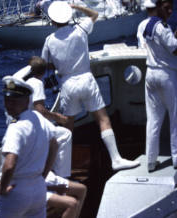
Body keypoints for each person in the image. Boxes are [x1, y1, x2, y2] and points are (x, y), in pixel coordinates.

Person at [41, 1, 140, 171]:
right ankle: (116, 159)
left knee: (68, 127)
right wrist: (77, 7)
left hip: (68, 84)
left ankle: (61, 169)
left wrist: (61, 65)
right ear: (68, 16)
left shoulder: (49, 40)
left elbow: (45, 64)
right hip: (86, 80)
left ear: (52, 20)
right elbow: (94, 15)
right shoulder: (80, 30)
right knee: (102, 119)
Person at [13, 56, 87, 218]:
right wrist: (59, 118)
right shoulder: (37, 83)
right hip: (34, 129)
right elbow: (40, 111)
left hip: (27, 128)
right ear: (44, 72)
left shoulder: (20, 79)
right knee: (65, 134)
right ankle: (62, 178)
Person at [0, 75, 58, 218]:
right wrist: (42, 175)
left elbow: (9, 165)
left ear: (27, 100)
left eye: (14, 100)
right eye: (7, 99)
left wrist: (1, 187)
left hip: (14, 190)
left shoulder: (16, 127)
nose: (9, 104)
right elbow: (55, 144)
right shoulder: (39, 118)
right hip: (37, 189)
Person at [142, 0, 177, 171]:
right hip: (167, 75)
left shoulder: (147, 25)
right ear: (158, 6)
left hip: (151, 74)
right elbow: (174, 49)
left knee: (154, 120)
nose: (170, 10)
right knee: (175, 118)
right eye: (167, 7)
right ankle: (176, 158)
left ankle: (150, 161)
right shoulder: (162, 27)